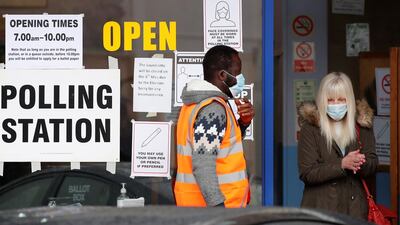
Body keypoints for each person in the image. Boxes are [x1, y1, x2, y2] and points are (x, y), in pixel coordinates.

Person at [174, 45, 255, 208]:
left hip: (197, 209)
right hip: (216, 211)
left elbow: (221, 146)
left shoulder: (196, 105)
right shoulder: (212, 109)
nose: (241, 79)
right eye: (238, 73)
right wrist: (218, 210)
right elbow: (203, 164)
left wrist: (243, 123)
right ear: (223, 75)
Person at [297, 72, 378, 220]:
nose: (336, 104)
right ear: (322, 100)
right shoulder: (311, 128)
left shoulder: (361, 124)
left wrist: (360, 163)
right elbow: (307, 173)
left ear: (350, 100)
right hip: (320, 211)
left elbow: (373, 163)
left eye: (341, 99)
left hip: (355, 211)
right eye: (330, 100)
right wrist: (342, 164)